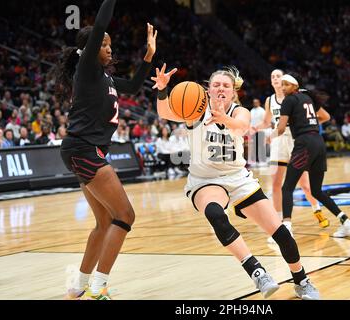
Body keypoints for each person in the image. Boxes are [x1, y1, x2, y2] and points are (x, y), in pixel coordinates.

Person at [153, 65, 320, 300]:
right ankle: (257, 271)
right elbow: (165, 112)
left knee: (281, 233)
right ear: (207, 90)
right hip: (205, 180)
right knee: (215, 214)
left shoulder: (241, 112)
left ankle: (301, 279)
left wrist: (223, 118)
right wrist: (162, 90)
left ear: (233, 92)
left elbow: (241, 127)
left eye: (226, 86)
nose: (221, 88)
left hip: (238, 178)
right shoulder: (195, 110)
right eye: (216, 85)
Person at [53, 0, 157, 300]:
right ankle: (98, 286)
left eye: (111, 44)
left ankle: (78, 286)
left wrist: (148, 56)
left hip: (84, 150)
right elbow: (99, 26)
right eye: (104, 44)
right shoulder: (86, 70)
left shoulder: (106, 78)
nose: (109, 48)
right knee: (125, 216)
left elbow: (135, 86)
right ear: (90, 49)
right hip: (83, 150)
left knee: (103, 223)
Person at [274, 74, 350, 238]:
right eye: (281, 85)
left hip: (304, 144)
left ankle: (286, 228)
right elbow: (326, 117)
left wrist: (265, 139)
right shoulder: (308, 98)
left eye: (286, 85)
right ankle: (347, 223)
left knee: (287, 188)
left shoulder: (289, 100)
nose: (283, 88)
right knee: (317, 191)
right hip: (318, 143)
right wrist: (307, 124)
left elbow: (282, 127)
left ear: (295, 87)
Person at [254, 69, 328, 243]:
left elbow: (321, 116)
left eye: (278, 76)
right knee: (276, 184)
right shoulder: (270, 100)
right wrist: (254, 129)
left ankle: (316, 208)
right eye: (272, 76)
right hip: (279, 141)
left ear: (286, 80)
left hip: (297, 140)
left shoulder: (298, 96)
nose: (275, 79)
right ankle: (279, 225)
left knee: (305, 185)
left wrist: (309, 125)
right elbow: (266, 122)